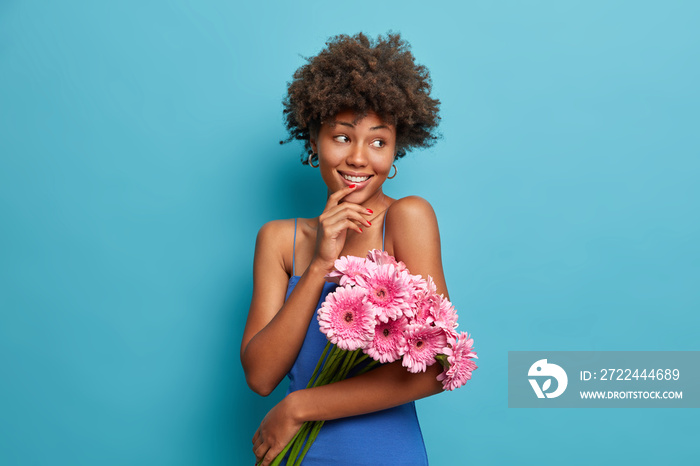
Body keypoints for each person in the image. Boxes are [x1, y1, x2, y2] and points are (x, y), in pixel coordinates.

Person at [241, 32, 447, 465]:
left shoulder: (407, 219)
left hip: (383, 454)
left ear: (395, 151)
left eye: (378, 141)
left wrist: (299, 407)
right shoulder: (279, 241)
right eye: (342, 136)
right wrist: (319, 265)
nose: (358, 158)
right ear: (314, 140)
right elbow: (260, 377)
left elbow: (436, 366)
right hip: (295, 457)